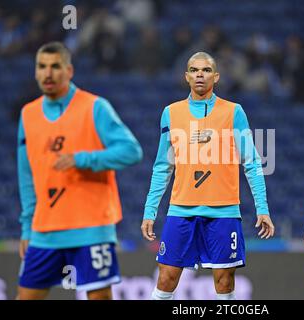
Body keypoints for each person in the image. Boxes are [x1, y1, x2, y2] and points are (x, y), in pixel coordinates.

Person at [141, 51, 274, 300]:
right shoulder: (171, 113)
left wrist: (262, 208)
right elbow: (162, 166)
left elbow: (253, 163)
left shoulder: (234, 112)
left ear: (216, 76)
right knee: (166, 278)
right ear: (186, 77)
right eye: (194, 70)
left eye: (205, 70)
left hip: (223, 211)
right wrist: (150, 211)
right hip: (181, 209)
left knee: (224, 282)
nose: (199, 74)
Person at [17, 42, 143, 299]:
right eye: (42, 67)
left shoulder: (95, 107)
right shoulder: (28, 114)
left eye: (55, 66)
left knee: (100, 297)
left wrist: (83, 159)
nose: (48, 73)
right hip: (45, 229)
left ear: (69, 70)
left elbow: (132, 150)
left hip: (91, 226)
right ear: (36, 72)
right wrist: (27, 227)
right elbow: (26, 175)